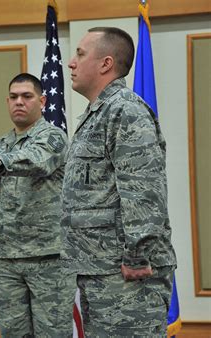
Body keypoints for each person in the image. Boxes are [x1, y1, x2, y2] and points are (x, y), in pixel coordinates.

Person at [63, 27, 177, 336]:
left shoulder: (125, 111)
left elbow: (144, 191)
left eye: (80, 54)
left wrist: (137, 255)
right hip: (99, 271)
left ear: (106, 64)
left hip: (127, 275)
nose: (71, 63)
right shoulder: (96, 114)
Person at [0, 73, 75, 337]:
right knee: (12, 333)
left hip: (48, 257)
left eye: (27, 97)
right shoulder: (0, 144)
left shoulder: (54, 137)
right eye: (14, 97)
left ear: (42, 101)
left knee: (52, 333)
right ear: (7, 102)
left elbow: (36, 160)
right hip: (7, 259)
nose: (19, 102)